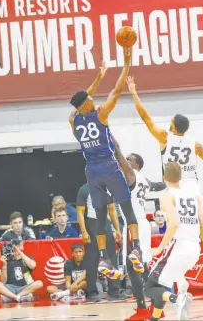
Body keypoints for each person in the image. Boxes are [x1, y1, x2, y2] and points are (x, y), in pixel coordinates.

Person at [69, 49, 142, 279]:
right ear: (87, 105)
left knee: (100, 217)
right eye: (90, 99)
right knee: (127, 209)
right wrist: (127, 63)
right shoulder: (100, 114)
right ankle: (136, 249)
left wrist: (99, 77)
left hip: (91, 171)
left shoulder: (73, 120)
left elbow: (80, 102)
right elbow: (117, 90)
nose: (93, 98)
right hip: (110, 167)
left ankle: (103, 257)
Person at [127, 76, 203, 204]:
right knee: (197, 220)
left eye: (171, 121)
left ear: (174, 127)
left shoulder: (165, 138)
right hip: (192, 186)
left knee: (176, 220)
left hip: (174, 185)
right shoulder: (195, 145)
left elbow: (145, 117)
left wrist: (133, 92)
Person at [145, 162, 203, 321]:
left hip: (178, 247)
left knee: (150, 288)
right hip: (194, 250)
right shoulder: (195, 196)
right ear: (181, 178)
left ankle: (178, 298)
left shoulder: (167, 195)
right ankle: (155, 318)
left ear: (164, 178)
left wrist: (159, 248)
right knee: (162, 286)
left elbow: (174, 224)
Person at [111, 137, 167, 317]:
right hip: (142, 224)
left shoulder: (132, 175)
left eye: (129, 159)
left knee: (131, 266)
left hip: (133, 225)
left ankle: (144, 306)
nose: (125, 160)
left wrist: (106, 132)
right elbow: (160, 185)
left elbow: (117, 153)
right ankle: (154, 304)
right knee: (141, 266)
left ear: (135, 164)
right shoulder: (145, 180)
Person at [75, 183, 124, 302]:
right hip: (91, 223)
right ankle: (92, 293)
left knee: (111, 257)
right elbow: (80, 212)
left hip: (105, 224)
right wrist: (84, 231)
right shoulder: (84, 189)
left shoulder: (107, 188)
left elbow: (112, 210)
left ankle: (114, 292)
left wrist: (117, 229)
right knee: (92, 258)